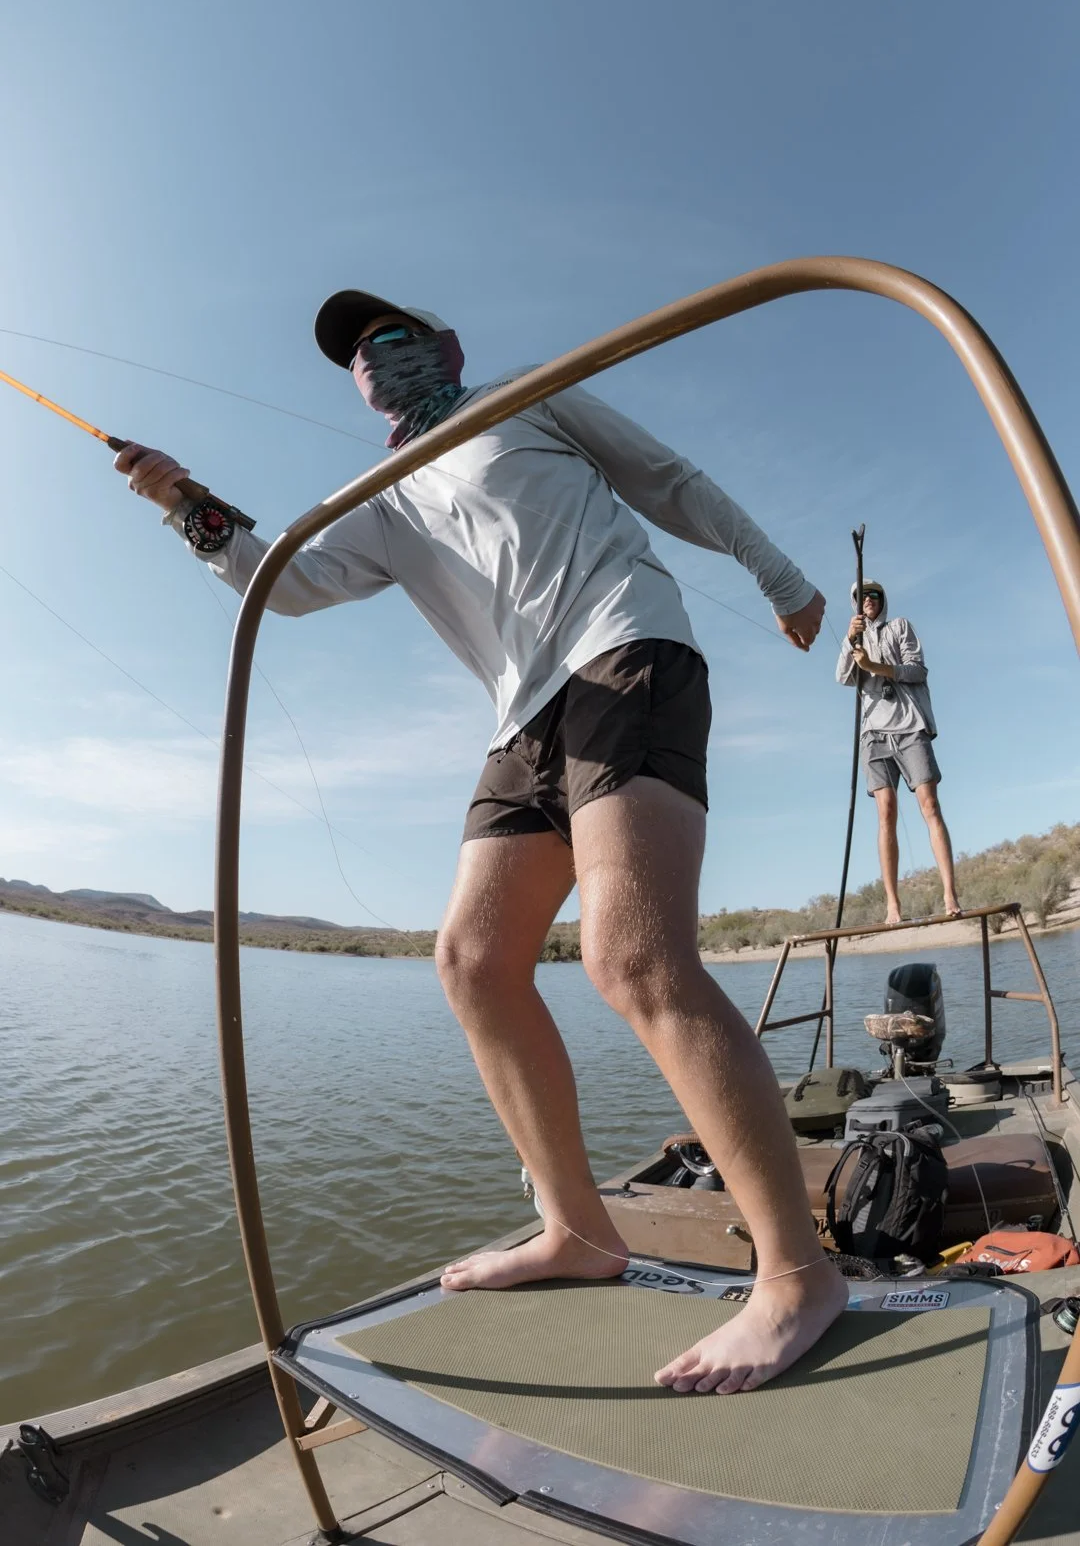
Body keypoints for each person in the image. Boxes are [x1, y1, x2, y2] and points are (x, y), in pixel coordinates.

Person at [115, 290, 847, 1395]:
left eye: (390, 336)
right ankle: (579, 1233)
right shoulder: (376, 494)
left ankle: (798, 1276)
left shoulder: (528, 398)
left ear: (445, 347)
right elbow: (294, 582)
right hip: (520, 718)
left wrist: (781, 576)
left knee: (634, 959)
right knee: (471, 963)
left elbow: (669, 481)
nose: (372, 357)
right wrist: (185, 504)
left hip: (623, 651)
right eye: (356, 354)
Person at [836, 580, 960, 923]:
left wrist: (877, 668)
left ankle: (950, 893)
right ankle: (893, 905)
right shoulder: (855, 637)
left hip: (909, 727)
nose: (868, 601)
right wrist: (850, 641)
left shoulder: (900, 626)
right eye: (861, 598)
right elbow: (842, 676)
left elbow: (917, 670)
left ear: (882, 600)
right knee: (885, 812)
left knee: (929, 805)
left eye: (873, 596)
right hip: (873, 734)